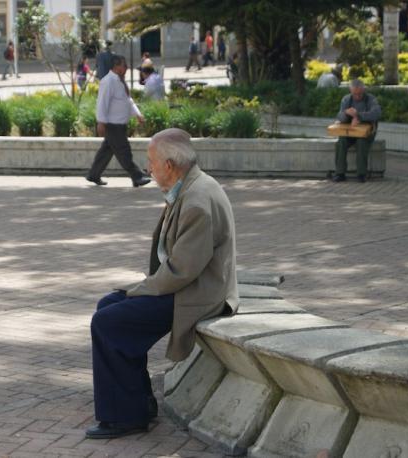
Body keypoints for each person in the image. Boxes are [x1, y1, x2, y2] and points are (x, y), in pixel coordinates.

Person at [85, 127, 239, 439]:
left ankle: (126, 417)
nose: (148, 168)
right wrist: (137, 291)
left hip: (199, 293)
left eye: (151, 161)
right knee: (108, 308)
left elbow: (182, 270)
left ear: (169, 165)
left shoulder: (197, 198)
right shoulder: (188, 186)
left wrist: (138, 290)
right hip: (187, 284)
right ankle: (138, 402)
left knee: (108, 322)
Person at [86, 55, 151, 188]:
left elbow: (127, 100)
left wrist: (137, 114)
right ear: (116, 66)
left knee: (106, 151)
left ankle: (94, 174)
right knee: (124, 151)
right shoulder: (108, 81)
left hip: (119, 124)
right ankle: (137, 176)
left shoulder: (119, 81)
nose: (126, 68)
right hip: (113, 125)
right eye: (124, 65)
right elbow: (102, 103)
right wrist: (101, 122)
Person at [332, 79, 381, 183]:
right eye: (355, 94)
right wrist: (347, 113)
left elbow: (376, 114)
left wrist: (358, 115)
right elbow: (340, 117)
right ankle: (340, 173)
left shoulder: (371, 99)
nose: (358, 96)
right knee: (341, 142)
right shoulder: (346, 99)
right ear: (351, 91)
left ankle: (361, 174)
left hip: (366, 132)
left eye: (360, 94)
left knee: (361, 142)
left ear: (364, 90)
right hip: (350, 131)